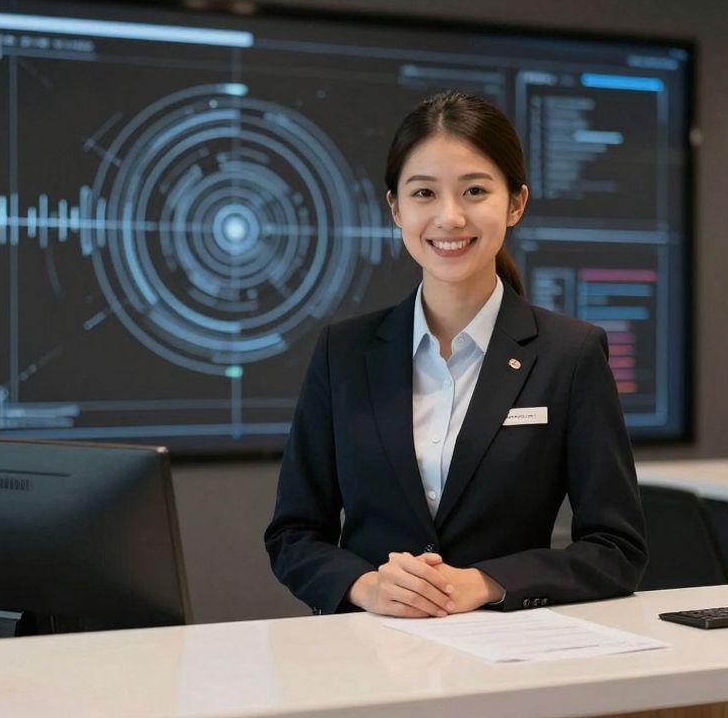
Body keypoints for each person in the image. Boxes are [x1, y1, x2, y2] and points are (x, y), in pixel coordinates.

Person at [264, 91, 647, 618]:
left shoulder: (570, 354)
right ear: (395, 208)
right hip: (368, 651)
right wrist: (363, 585)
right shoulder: (344, 353)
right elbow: (294, 533)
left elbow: (616, 549)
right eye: (424, 193)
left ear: (515, 203)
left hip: (509, 652)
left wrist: (489, 582)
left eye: (474, 190)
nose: (449, 216)